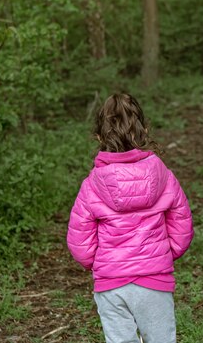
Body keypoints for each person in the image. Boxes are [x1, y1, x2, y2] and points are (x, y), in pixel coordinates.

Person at [67, 93, 194, 343]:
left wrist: (99, 262)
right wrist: (166, 252)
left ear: (98, 137)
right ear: (145, 130)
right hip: (154, 279)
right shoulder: (163, 175)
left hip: (111, 284)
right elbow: (182, 223)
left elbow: (79, 237)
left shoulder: (92, 184)